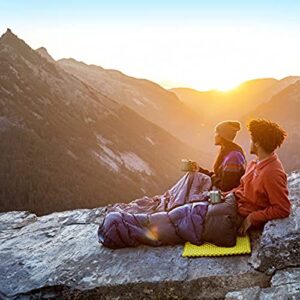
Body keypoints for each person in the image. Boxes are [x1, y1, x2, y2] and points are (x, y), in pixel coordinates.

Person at [228, 119, 291, 236]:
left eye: (251, 139)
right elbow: (242, 187)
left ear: (257, 143)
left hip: (240, 215)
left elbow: (282, 208)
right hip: (233, 205)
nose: (250, 142)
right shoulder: (254, 163)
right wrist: (225, 195)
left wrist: (252, 218)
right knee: (196, 208)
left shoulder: (272, 173)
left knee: (193, 219)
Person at [193, 120, 246, 192]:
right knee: (191, 176)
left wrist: (212, 178)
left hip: (227, 197)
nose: (214, 136)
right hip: (220, 193)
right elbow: (218, 177)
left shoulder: (233, 156)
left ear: (222, 136)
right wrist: (199, 169)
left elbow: (226, 187)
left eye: (216, 133)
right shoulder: (225, 152)